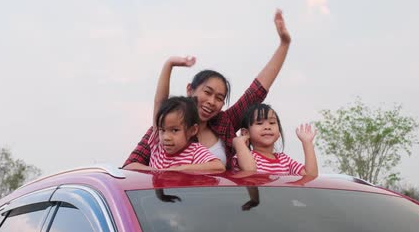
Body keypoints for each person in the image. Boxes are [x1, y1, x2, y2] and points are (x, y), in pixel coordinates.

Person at [122, 9, 293, 169]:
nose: (211, 102)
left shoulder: (225, 123)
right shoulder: (166, 127)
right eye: (207, 92)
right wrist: (170, 64)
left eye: (219, 98)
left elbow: (256, 92)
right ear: (190, 90)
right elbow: (130, 167)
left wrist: (284, 44)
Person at [124, 96, 225, 172]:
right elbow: (129, 166)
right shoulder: (157, 144)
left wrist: (180, 169)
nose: (166, 137)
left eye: (175, 130)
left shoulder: (195, 151)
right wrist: (158, 172)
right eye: (162, 130)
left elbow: (219, 167)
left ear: (192, 130)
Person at [232, 104, 318, 176]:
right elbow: (250, 170)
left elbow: (310, 176)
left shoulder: (285, 160)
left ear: (279, 132)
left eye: (272, 123)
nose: (267, 127)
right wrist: (239, 143)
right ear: (246, 133)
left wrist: (307, 143)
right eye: (259, 123)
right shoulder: (244, 156)